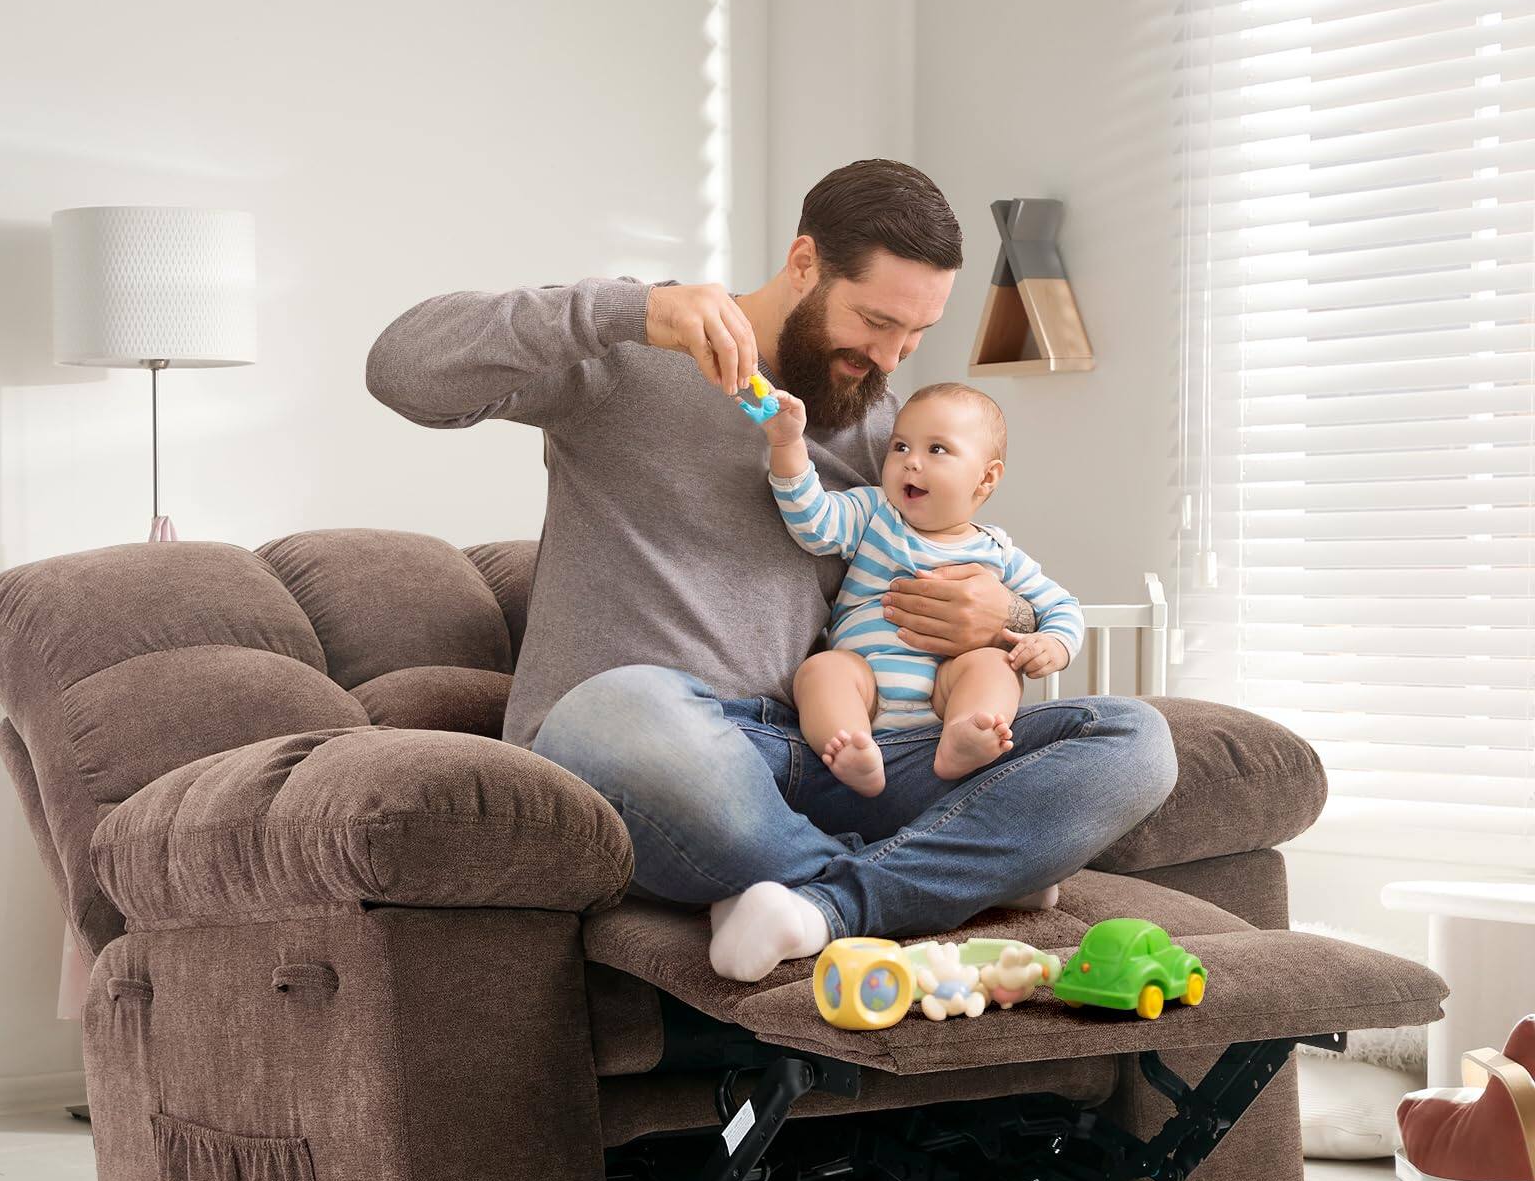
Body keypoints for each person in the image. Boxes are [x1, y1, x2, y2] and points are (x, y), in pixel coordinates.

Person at [365, 159, 1178, 982]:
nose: (889, 357)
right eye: (875, 321)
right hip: (659, 751)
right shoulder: (630, 355)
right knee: (618, 707)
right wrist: (631, 309)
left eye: (915, 335)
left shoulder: (886, 430)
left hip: (831, 750)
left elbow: (975, 560)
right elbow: (400, 370)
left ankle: (823, 904)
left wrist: (1008, 616)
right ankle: (940, 878)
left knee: (1134, 740)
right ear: (804, 263)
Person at [761, 379, 1084, 796]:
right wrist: (788, 444)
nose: (911, 462)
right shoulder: (875, 511)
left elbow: (1062, 605)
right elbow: (813, 521)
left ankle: (965, 734)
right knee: (821, 670)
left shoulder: (997, 553)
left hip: (944, 695)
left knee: (994, 666)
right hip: (864, 687)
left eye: (937, 449)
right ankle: (849, 745)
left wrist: (1055, 644)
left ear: (986, 478)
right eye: (900, 447)